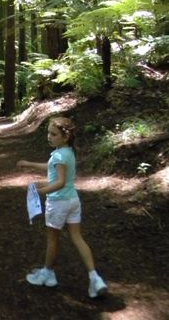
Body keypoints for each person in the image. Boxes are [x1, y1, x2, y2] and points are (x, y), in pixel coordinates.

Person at [16, 116, 108, 299]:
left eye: (53, 134)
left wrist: (40, 191)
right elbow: (52, 167)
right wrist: (29, 164)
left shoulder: (59, 154)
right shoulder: (67, 152)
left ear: (65, 137)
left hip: (57, 203)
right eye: (48, 133)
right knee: (77, 237)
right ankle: (95, 278)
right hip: (73, 201)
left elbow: (59, 182)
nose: (49, 137)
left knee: (52, 240)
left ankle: (47, 272)